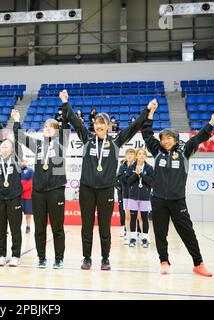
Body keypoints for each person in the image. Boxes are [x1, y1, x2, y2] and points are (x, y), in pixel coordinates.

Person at [61, 89, 156, 271]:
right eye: (97, 123)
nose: (99, 126)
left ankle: (105, 258)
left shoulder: (116, 142)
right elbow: (74, 120)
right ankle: (87, 258)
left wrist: (146, 109)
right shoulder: (87, 139)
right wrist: (66, 103)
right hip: (87, 190)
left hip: (105, 190)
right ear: (94, 126)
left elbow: (135, 126)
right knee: (87, 226)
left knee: (105, 227)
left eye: (102, 123)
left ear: (108, 126)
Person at [142, 106, 214, 277]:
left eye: (169, 138)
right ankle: (164, 262)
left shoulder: (184, 151)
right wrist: (150, 114)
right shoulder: (157, 151)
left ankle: (198, 264)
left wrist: (210, 123)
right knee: (160, 233)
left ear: (175, 139)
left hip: (178, 200)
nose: (165, 141)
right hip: (158, 200)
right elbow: (147, 134)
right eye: (163, 139)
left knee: (188, 233)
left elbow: (199, 138)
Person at [12, 106, 70, 269]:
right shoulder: (37, 145)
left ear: (57, 131)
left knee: (58, 228)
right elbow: (19, 136)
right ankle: (41, 257)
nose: (47, 129)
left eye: (51, 127)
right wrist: (17, 120)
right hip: (38, 193)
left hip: (56, 191)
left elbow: (66, 125)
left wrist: (65, 106)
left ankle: (59, 258)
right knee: (40, 228)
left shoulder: (61, 144)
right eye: (45, 127)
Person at [0, 113, 24, 267]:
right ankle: (2, 255)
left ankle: (15, 255)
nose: (4, 145)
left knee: (15, 229)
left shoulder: (16, 157)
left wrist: (16, 121)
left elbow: (17, 135)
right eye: (2, 144)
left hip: (15, 198)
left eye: (7, 144)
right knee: (0, 229)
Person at [125, 148, 153, 248]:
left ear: (146, 156)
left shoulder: (149, 168)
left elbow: (151, 182)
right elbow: (128, 182)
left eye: (144, 154)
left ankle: (144, 238)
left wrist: (141, 174)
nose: (142, 155)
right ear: (136, 156)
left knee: (145, 218)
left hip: (145, 197)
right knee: (133, 218)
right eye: (140, 154)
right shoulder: (130, 167)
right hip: (133, 197)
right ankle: (132, 238)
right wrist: (135, 174)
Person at [115, 149, 135, 240]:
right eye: (128, 154)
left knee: (135, 213)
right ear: (125, 156)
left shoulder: (137, 166)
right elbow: (118, 179)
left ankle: (136, 231)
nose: (130, 156)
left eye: (132, 154)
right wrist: (120, 187)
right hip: (122, 192)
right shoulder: (122, 166)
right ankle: (123, 228)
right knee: (123, 211)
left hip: (134, 193)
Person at [20, 159, 33, 233]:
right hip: (18, 196)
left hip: (28, 196)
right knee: (17, 213)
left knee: (28, 212)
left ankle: (28, 226)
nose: (22, 162)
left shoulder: (30, 170)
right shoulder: (17, 170)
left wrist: (21, 189)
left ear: (26, 161)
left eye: (23, 161)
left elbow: (31, 182)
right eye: (21, 161)